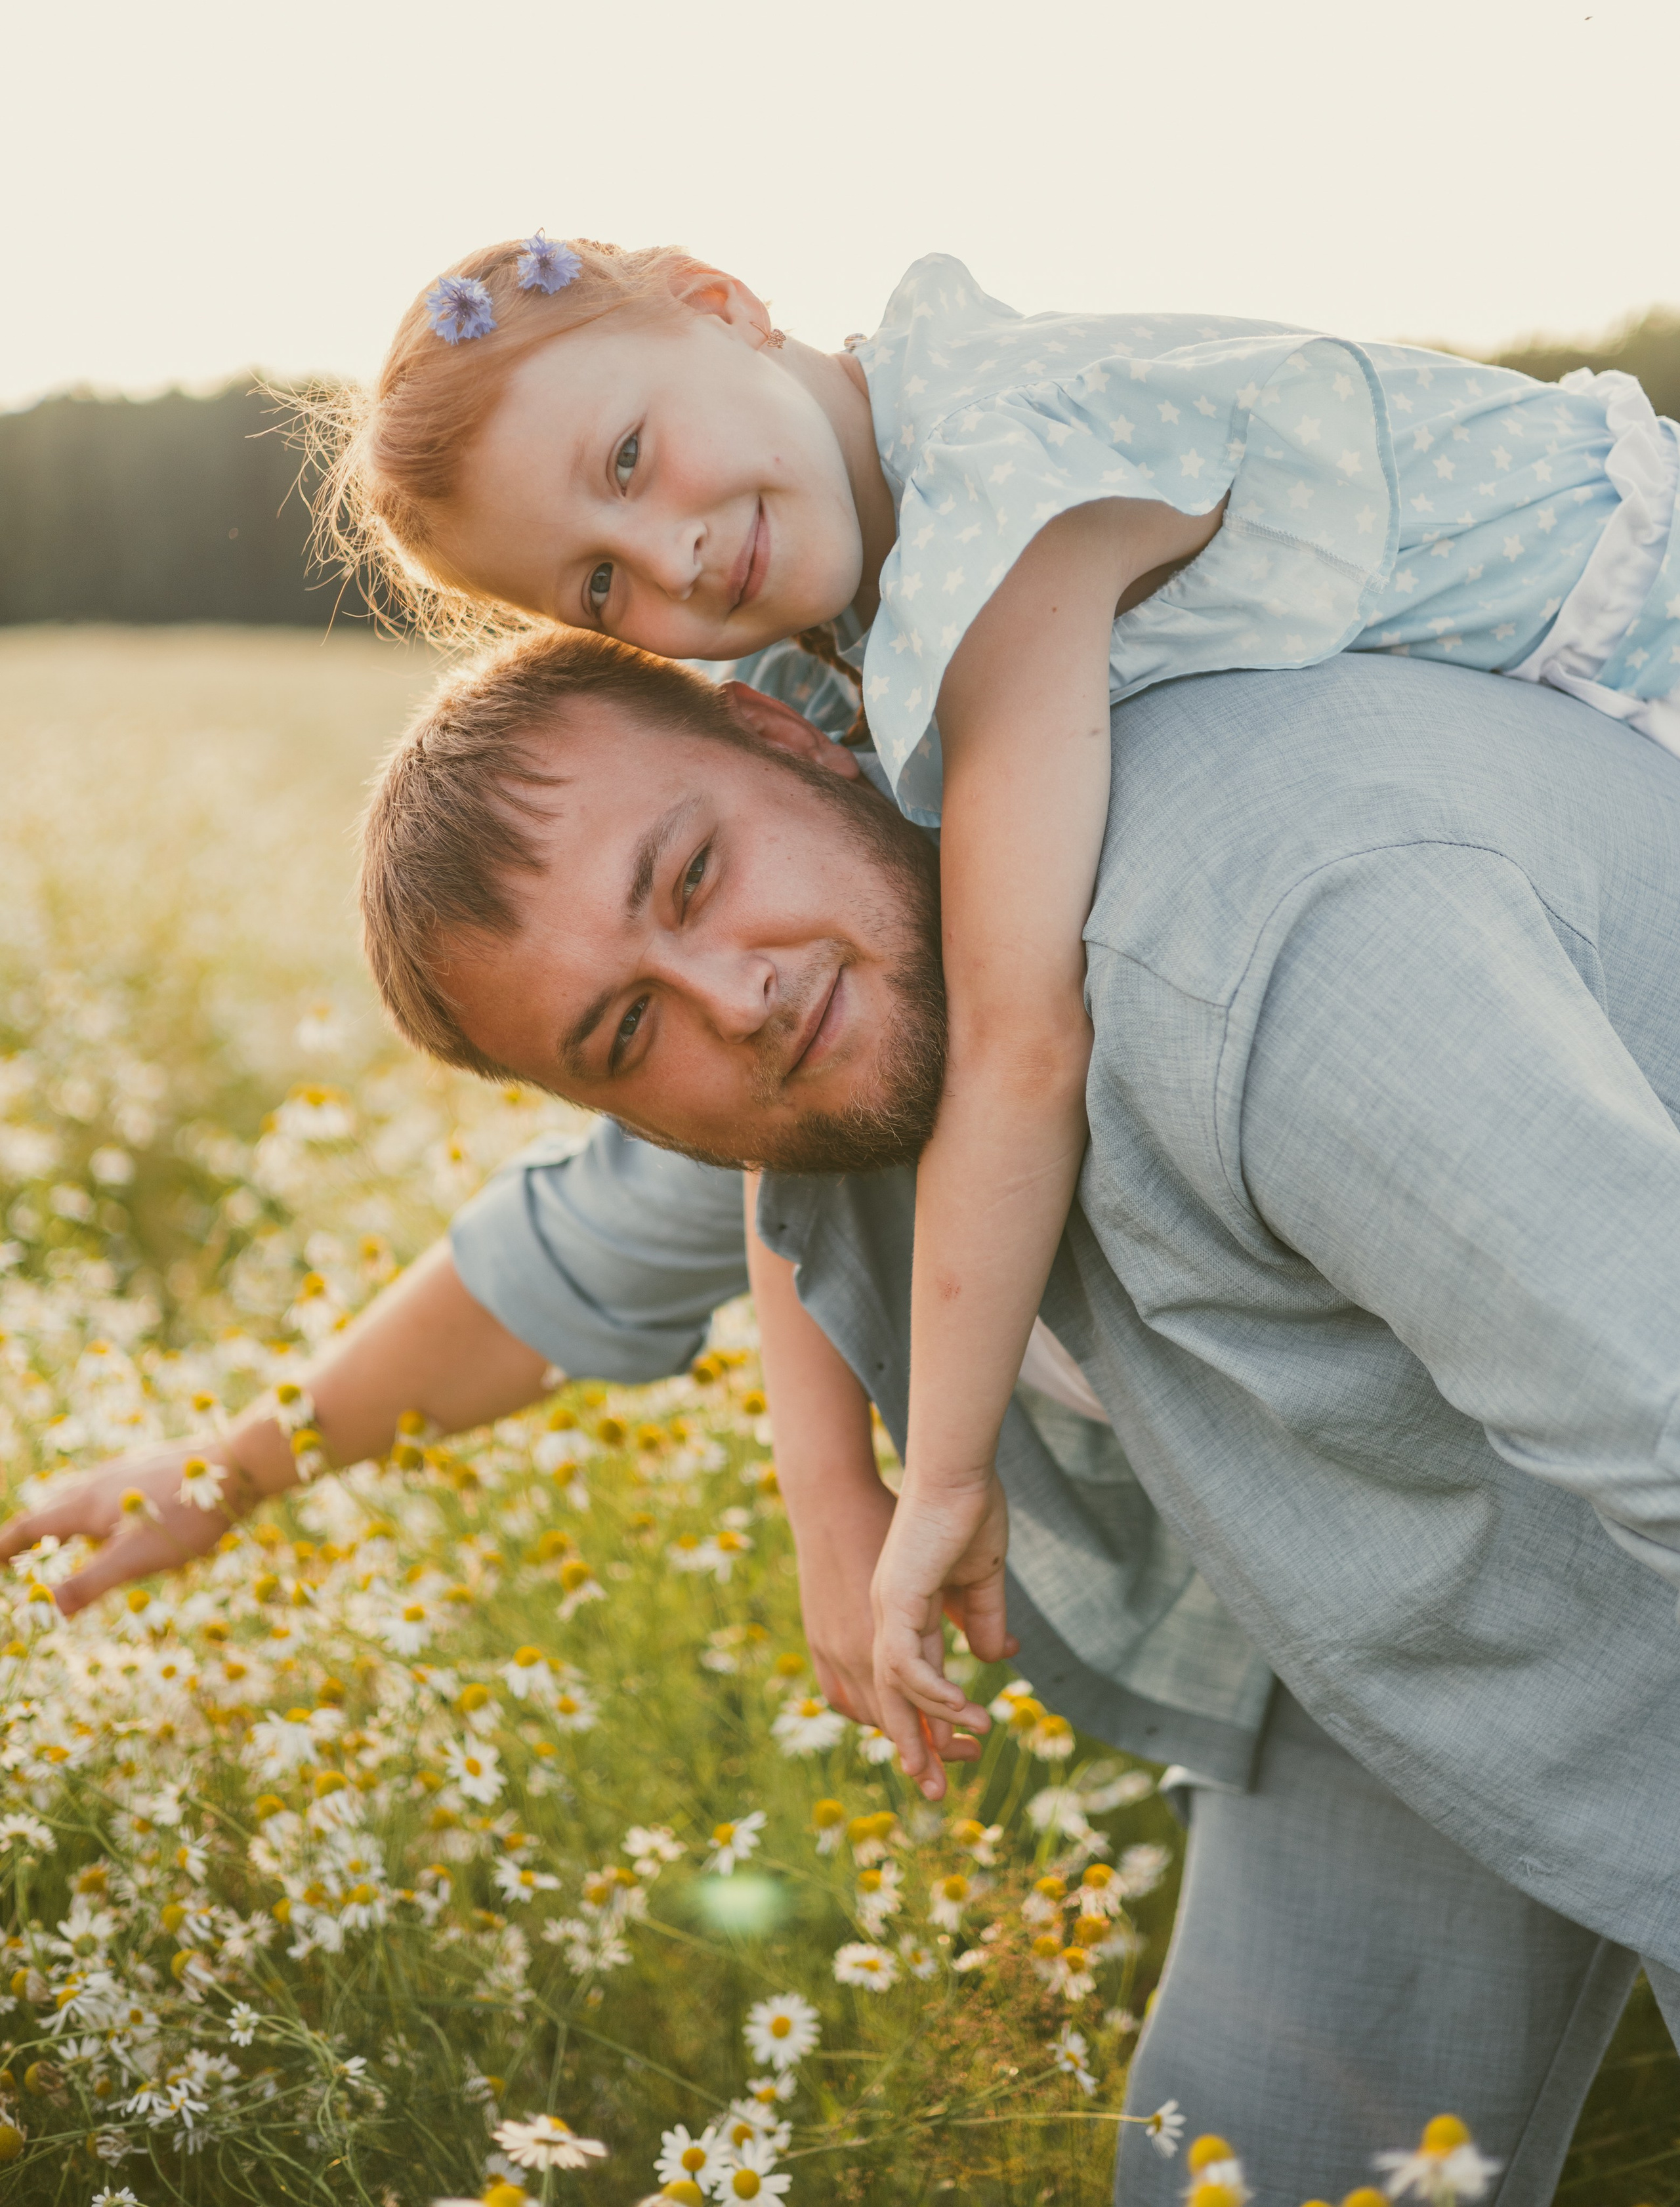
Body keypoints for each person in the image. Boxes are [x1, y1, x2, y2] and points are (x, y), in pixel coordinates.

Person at [10, 637, 1680, 2197]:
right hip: (1387, 1621)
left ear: (786, 730)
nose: (728, 997)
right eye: (625, 1027)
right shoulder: (831, 1027)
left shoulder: (1242, 950)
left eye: (690, 873)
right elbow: (551, 1266)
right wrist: (226, 1472)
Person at [302, 230, 1680, 1786]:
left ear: (718, 302)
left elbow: (1021, 1043)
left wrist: (943, 1469)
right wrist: (828, 1486)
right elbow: (774, 1155)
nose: (668, 556)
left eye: (628, 456)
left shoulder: (999, 502)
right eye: (597, 582)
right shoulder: (832, 602)